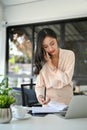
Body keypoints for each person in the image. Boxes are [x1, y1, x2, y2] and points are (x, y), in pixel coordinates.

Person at [34, 28, 75, 106]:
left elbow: (66, 79)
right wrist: (40, 96)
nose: (50, 48)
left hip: (67, 102)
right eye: (45, 47)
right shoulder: (42, 61)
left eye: (52, 43)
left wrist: (51, 65)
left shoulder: (69, 55)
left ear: (57, 40)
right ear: (42, 48)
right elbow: (39, 86)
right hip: (49, 103)